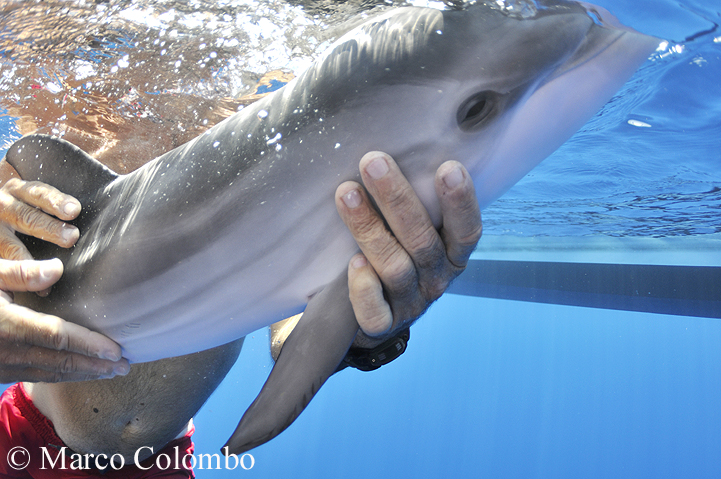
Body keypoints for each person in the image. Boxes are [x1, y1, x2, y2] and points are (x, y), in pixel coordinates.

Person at [0, 151, 482, 477]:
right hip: (21, 440)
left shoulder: (275, 159)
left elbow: (287, 337)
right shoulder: (79, 122)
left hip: (162, 462)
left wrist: (363, 329)